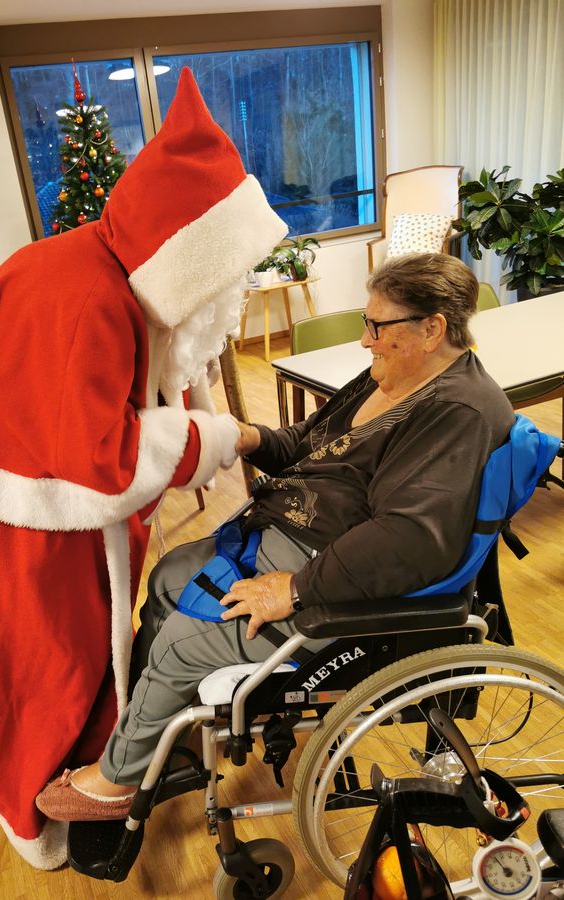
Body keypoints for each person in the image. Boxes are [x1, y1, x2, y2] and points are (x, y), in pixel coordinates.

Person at [0, 69, 286, 868]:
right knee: (41, 667)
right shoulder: (90, 299)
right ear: (188, 253)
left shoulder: (98, 268)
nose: (231, 294)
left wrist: (202, 425)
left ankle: (89, 761)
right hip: (19, 521)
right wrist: (218, 438)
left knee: (56, 657)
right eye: (225, 272)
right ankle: (38, 814)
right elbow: (104, 464)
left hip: (3, 498)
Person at [35, 251, 516, 822]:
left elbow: (408, 540)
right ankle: (160, 733)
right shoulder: (390, 376)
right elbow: (311, 441)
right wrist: (246, 437)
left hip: (340, 576)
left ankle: (120, 778)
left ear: (432, 329)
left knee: (181, 641)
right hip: (290, 532)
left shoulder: (457, 411)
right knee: (166, 579)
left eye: (376, 326)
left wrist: (293, 588)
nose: (365, 340)